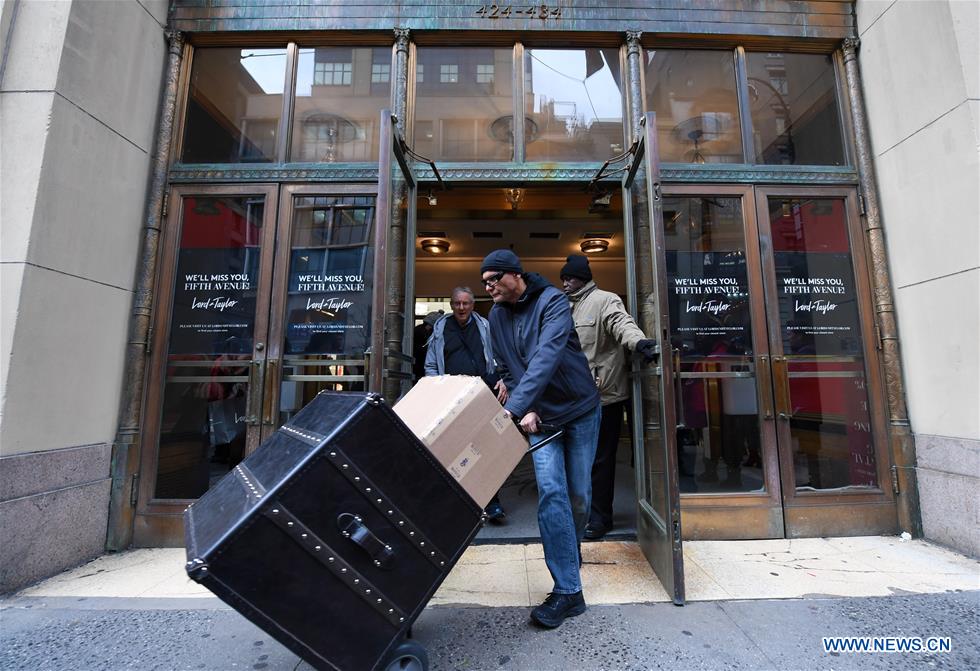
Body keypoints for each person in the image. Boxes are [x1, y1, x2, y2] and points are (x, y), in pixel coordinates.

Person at [481, 249, 600, 629]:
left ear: (514, 275)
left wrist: (515, 408)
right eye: (485, 283)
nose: (489, 287)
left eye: (493, 280)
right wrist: (527, 407)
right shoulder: (496, 316)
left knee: (579, 496)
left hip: (579, 409)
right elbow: (506, 367)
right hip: (541, 420)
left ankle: (569, 552)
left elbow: (547, 356)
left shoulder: (553, 302)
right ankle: (568, 590)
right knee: (551, 493)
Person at [560, 255, 658, 540]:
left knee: (600, 461)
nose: (565, 283)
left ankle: (600, 518)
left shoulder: (605, 300)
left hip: (604, 397)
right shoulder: (564, 306)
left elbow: (621, 323)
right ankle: (580, 513)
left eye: (569, 278)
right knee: (575, 460)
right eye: (563, 278)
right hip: (572, 399)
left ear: (583, 278)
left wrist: (639, 342)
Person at [424, 287, 509, 522]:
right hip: (452, 398)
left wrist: (504, 378)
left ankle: (492, 502)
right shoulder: (441, 328)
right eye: (457, 303)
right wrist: (437, 390)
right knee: (454, 451)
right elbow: (431, 365)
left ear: (472, 304)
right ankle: (461, 504)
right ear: (451, 304)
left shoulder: (485, 326)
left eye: (466, 303)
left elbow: (501, 355)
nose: (461, 308)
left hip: (483, 394)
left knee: (486, 448)